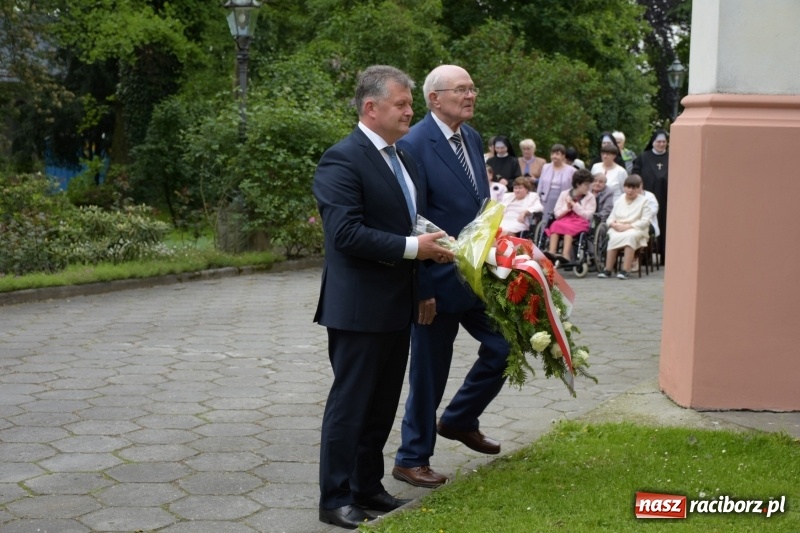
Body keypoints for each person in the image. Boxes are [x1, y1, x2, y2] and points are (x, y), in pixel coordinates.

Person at [313, 65, 454, 530]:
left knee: (382, 403)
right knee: (350, 405)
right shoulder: (342, 159)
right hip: (358, 307)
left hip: (398, 301)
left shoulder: (403, 157)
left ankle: (367, 486)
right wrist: (416, 249)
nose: (410, 111)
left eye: (411, 103)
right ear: (370, 108)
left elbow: (407, 220)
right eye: (402, 104)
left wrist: (439, 244)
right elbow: (346, 233)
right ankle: (334, 498)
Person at [393, 64, 510, 490]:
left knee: (505, 346)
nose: (471, 95)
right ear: (434, 98)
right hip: (435, 282)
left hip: (474, 276)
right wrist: (421, 286)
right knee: (429, 372)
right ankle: (411, 458)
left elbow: (475, 208)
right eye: (461, 89)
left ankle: (460, 419)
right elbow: (412, 219)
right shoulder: (414, 143)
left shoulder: (472, 138)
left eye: (473, 88)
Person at [597, 174, 653, 280]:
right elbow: (610, 218)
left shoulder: (644, 201)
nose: (630, 190)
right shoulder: (620, 200)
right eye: (628, 187)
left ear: (638, 188)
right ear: (624, 187)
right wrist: (614, 224)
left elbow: (646, 221)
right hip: (618, 228)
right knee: (613, 236)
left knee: (630, 236)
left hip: (635, 229)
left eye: (633, 188)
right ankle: (608, 269)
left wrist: (628, 226)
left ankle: (625, 270)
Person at [633, 129, 669, 264]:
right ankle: (645, 257)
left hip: (667, 199)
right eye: (659, 141)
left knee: (666, 226)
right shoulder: (643, 157)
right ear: (653, 143)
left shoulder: (672, 156)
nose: (661, 144)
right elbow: (635, 174)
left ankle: (665, 257)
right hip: (647, 198)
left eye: (664, 142)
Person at [545, 169, 596, 261]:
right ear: (577, 184)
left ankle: (566, 255)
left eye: (589, 184)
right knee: (555, 224)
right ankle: (551, 252)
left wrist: (574, 205)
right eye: (586, 184)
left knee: (568, 229)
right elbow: (557, 214)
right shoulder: (564, 194)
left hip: (581, 221)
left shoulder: (590, 197)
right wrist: (566, 208)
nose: (588, 187)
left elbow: (588, 215)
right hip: (565, 219)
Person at [536, 143, 576, 218]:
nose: (554, 156)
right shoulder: (546, 167)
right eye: (552, 154)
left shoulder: (571, 170)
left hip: (563, 199)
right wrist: (537, 197)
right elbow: (541, 184)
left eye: (557, 154)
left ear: (563, 156)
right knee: (546, 219)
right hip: (546, 197)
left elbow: (573, 187)